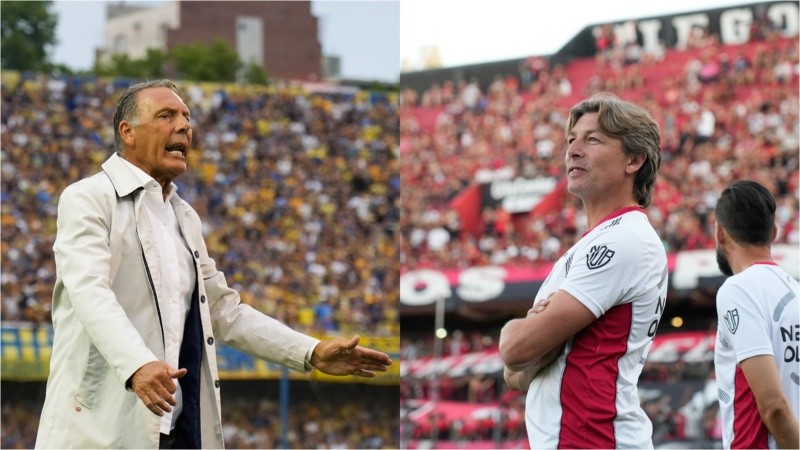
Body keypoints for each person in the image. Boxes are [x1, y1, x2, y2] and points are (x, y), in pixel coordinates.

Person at [35, 79, 393, 449]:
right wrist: (137, 364)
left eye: (186, 117)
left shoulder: (183, 216)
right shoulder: (89, 198)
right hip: (97, 430)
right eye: (166, 115)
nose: (184, 126)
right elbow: (89, 290)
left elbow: (223, 310)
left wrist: (310, 351)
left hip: (174, 430)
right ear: (127, 132)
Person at [499, 92, 668, 448]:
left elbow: (515, 350)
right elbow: (515, 375)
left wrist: (521, 331)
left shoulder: (624, 239)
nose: (573, 150)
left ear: (633, 160)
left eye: (593, 140)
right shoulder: (591, 244)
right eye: (572, 139)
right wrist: (532, 345)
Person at [712, 180, 799, 449]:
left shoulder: (738, 289)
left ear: (720, 233)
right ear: (773, 232)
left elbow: (773, 406)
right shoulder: (795, 291)